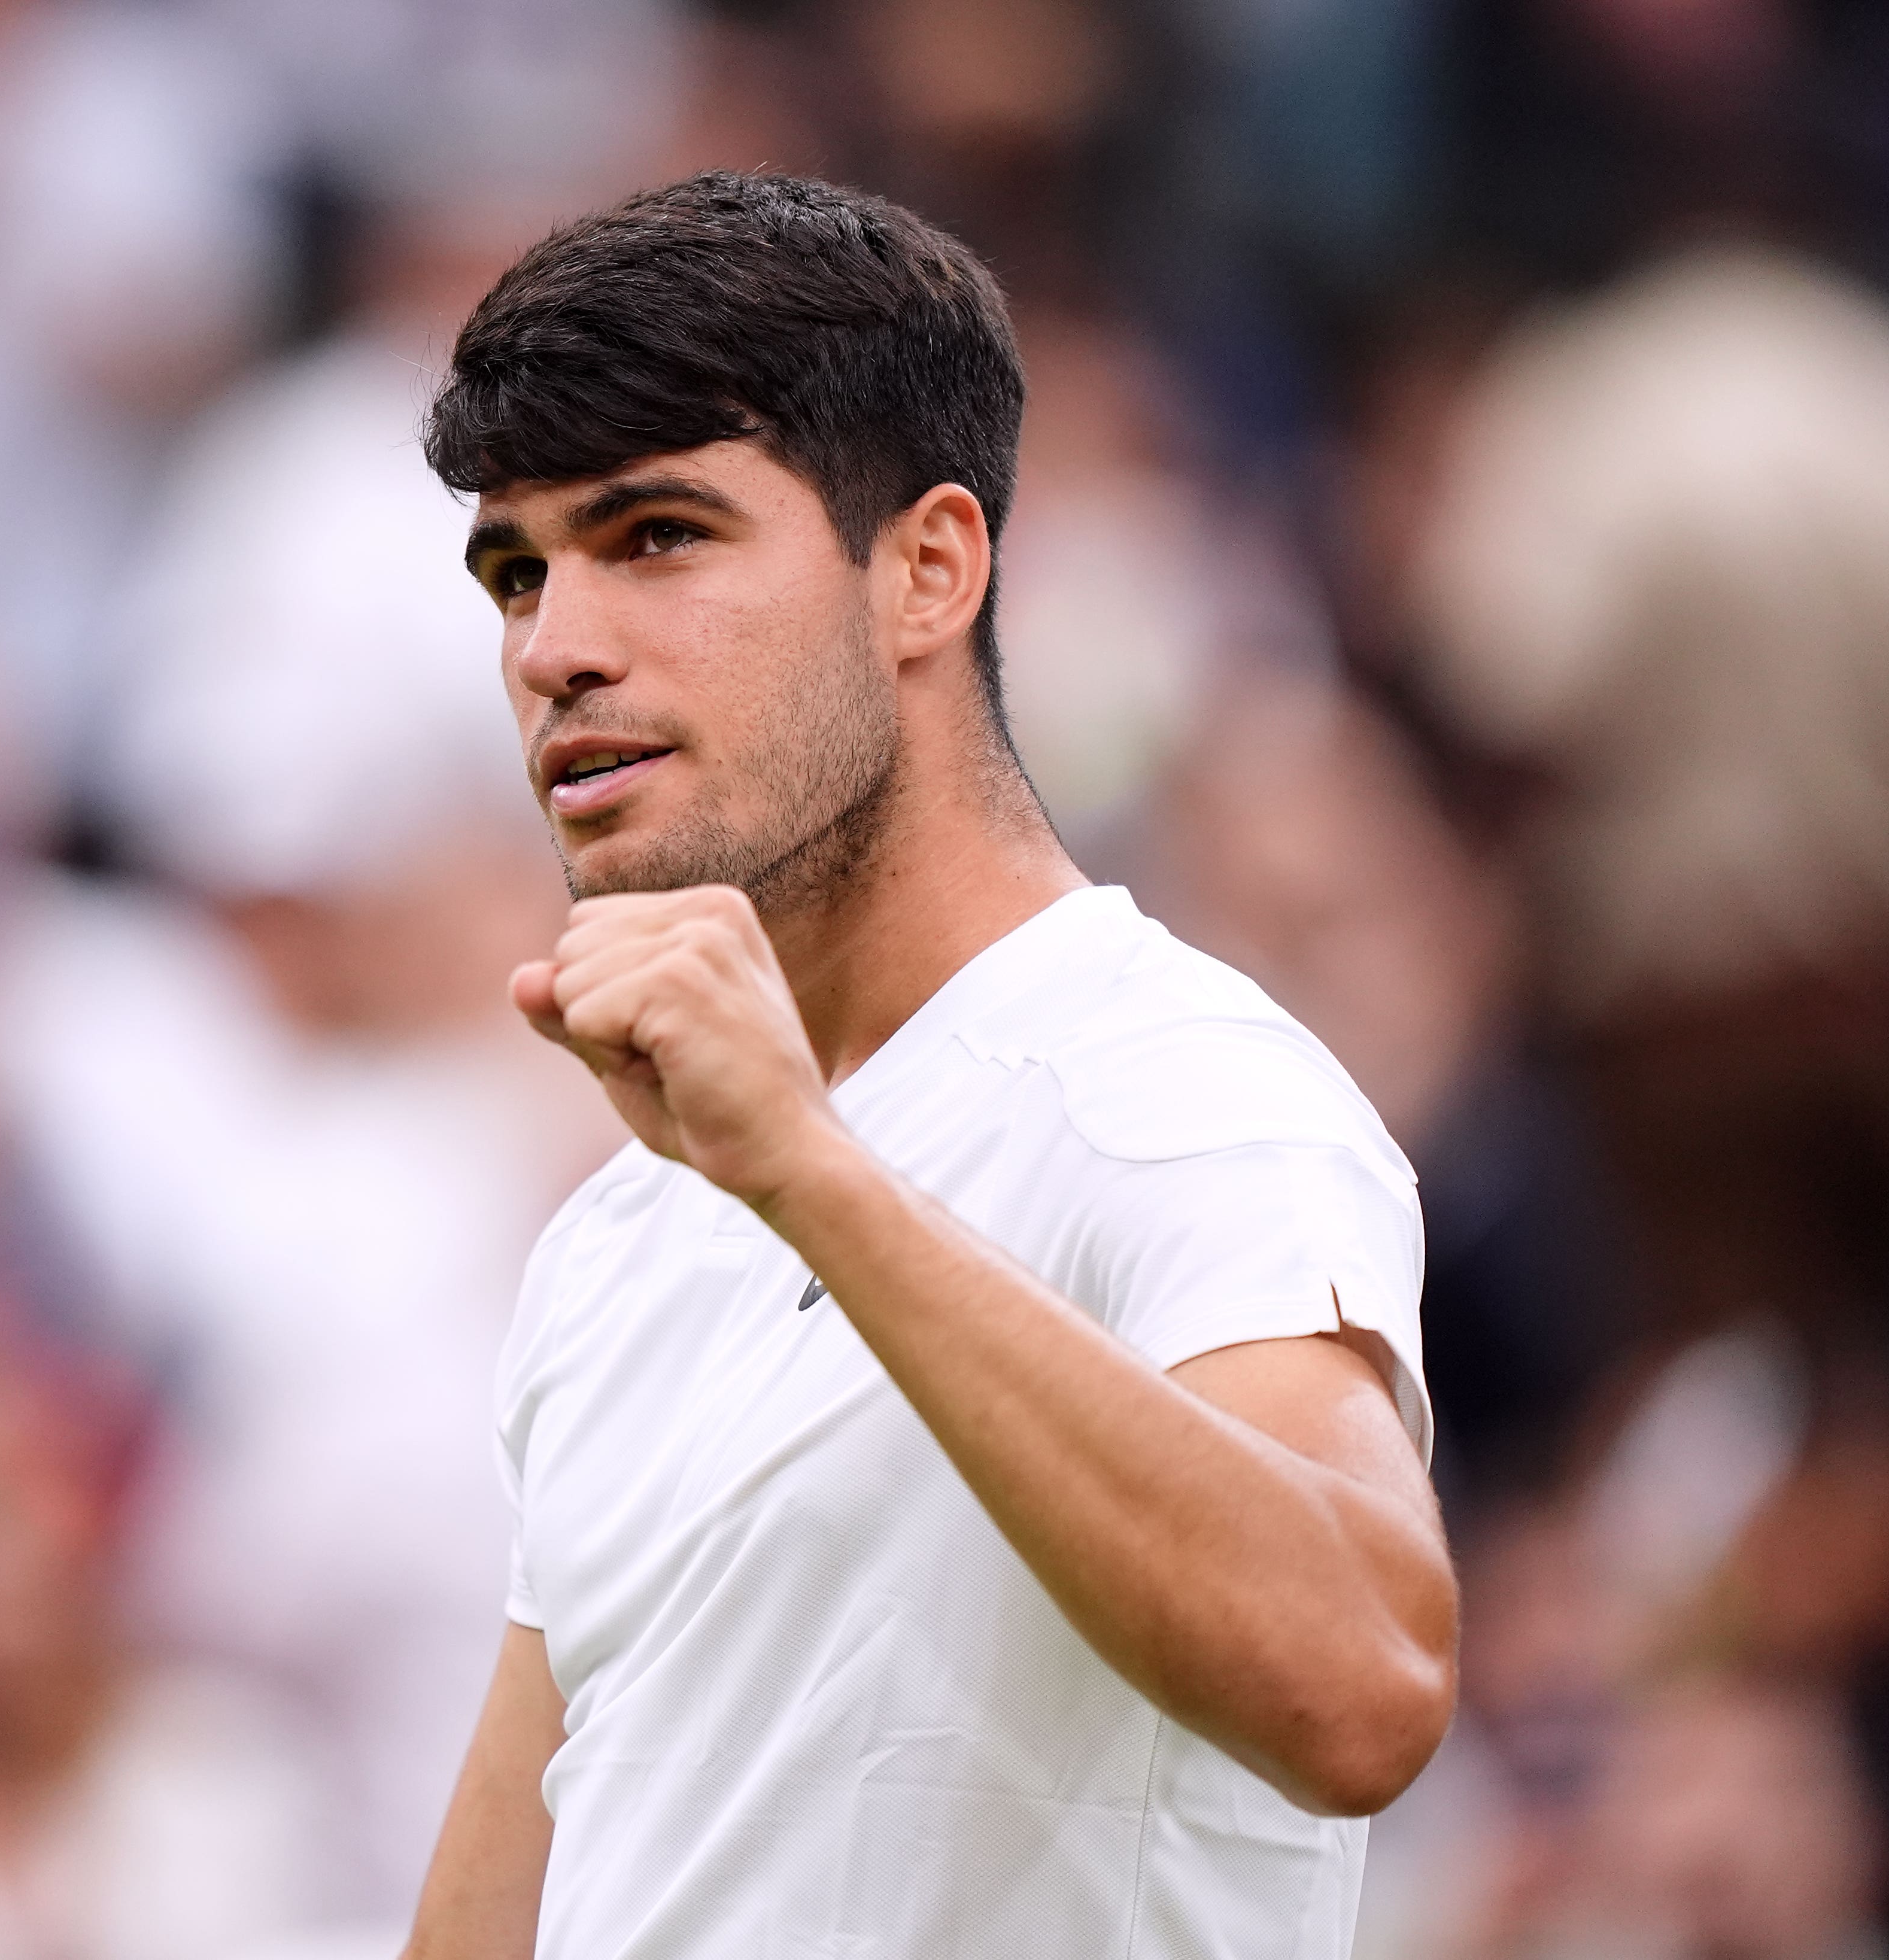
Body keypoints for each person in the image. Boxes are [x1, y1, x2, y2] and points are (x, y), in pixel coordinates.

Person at [402, 172, 1455, 1960]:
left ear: (928, 566)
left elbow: (1360, 1681)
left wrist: (813, 1175)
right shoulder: (623, 1232)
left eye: (653, 535)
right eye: (516, 570)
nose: (553, 645)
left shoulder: (1182, 1089)